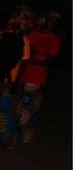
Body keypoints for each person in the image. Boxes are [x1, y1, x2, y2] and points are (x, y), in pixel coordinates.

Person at [0, 7, 34, 148]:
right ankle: (0, 139)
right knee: (7, 110)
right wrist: (16, 82)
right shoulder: (23, 39)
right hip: (11, 78)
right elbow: (24, 62)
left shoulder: (1, 35)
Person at [16, 11, 61, 143]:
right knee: (17, 105)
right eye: (50, 20)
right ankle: (14, 134)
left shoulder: (54, 39)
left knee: (30, 107)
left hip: (37, 77)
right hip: (22, 74)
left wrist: (32, 57)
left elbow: (49, 61)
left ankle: (25, 137)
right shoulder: (33, 32)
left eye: (55, 22)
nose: (52, 24)